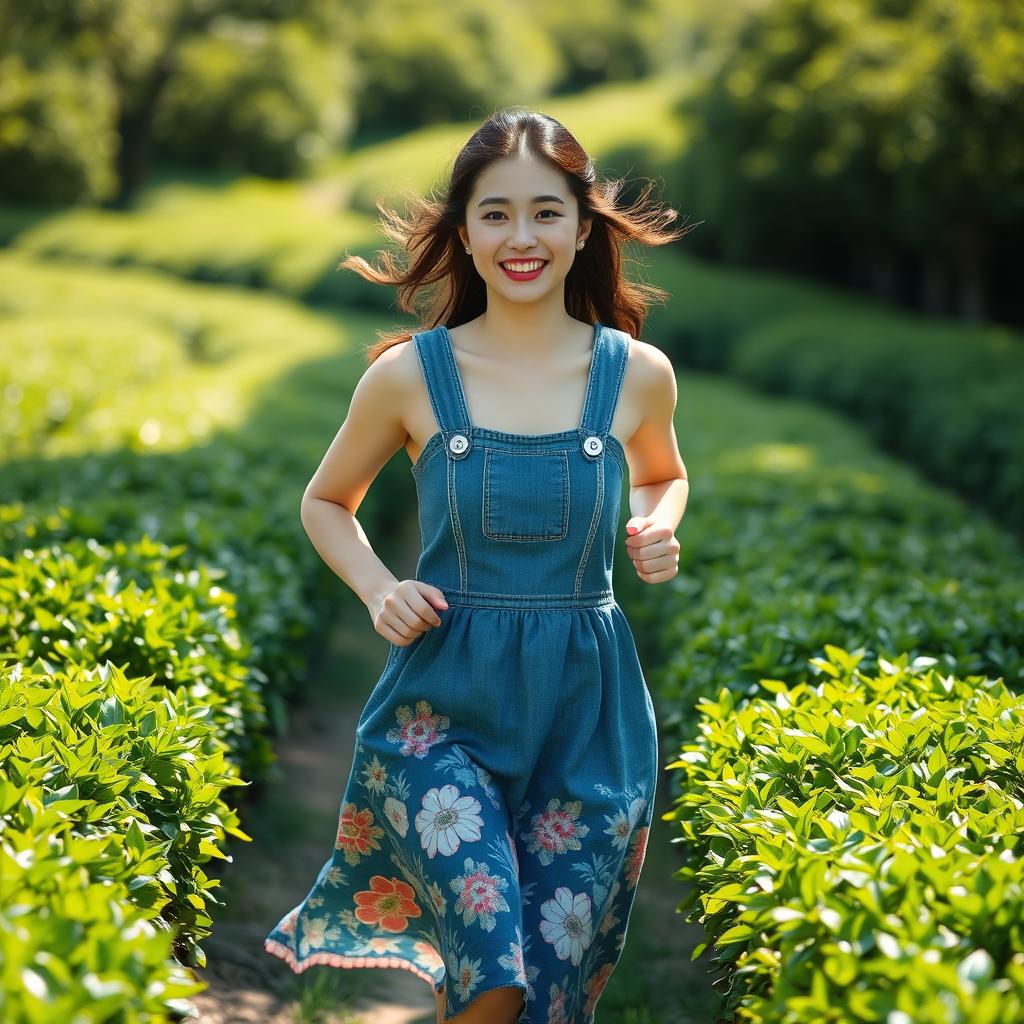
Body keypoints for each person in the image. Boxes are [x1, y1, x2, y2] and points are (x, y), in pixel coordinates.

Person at [263, 107, 691, 1024]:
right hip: (441, 712)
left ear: (584, 228)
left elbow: (665, 473)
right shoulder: (411, 376)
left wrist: (656, 527)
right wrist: (379, 588)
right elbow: (324, 501)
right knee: (495, 966)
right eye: (495, 214)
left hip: (589, 715)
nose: (521, 237)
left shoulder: (639, 374)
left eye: (546, 212)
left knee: (546, 988)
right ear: (464, 232)